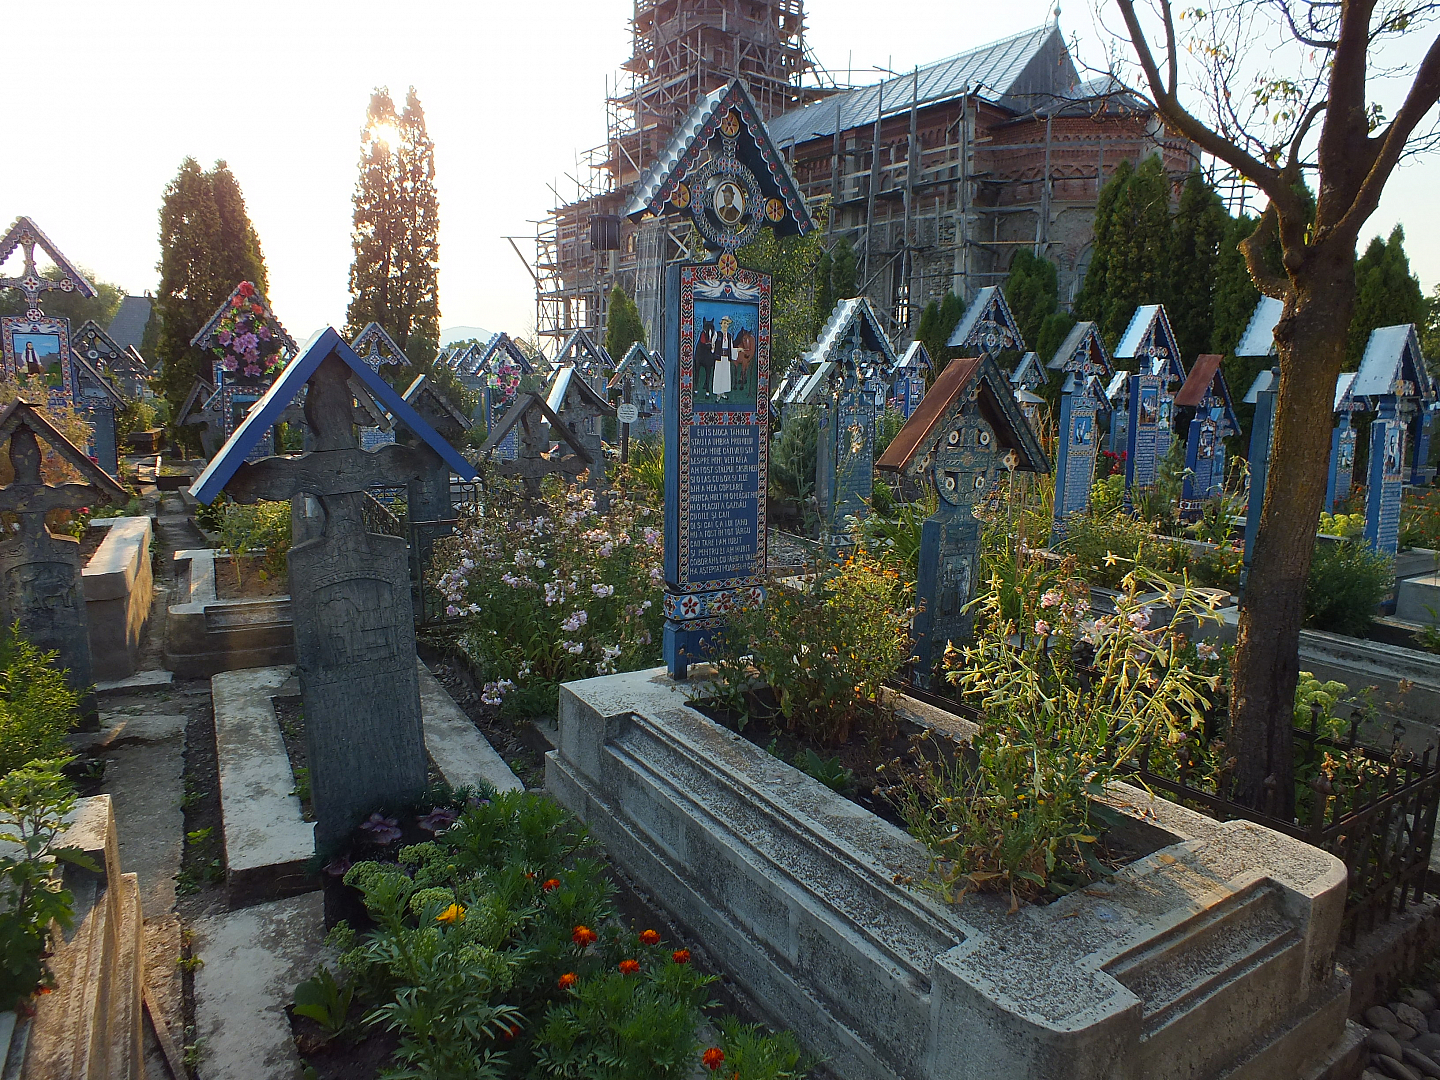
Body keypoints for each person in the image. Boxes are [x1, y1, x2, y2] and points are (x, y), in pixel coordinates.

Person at [712, 316, 735, 397]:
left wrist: (733, 354)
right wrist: (713, 350)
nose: (726, 325)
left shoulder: (729, 336)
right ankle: (718, 393)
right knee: (718, 374)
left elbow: (731, 347)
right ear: (721, 324)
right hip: (719, 357)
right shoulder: (717, 334)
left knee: (725, 374)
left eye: (727, 324)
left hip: (726, 358)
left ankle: (723, 392)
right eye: (724, 323)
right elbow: (713, 343)